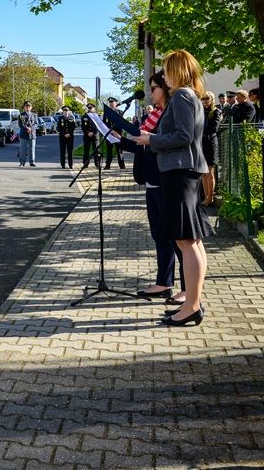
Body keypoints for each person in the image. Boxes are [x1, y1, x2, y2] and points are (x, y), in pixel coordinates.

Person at [133, 50, 213, 327]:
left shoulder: (181, 96)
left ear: (177, 71)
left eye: (167, 70)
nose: (164, 77)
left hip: (179, 172)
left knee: (186, 242)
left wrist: (151, 140)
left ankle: (191, 306)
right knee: (192, 241)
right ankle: (193, 301)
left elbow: (183, 136)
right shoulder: (190, 95)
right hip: (185, 172)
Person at [122, 71, 185, 302]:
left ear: (165, 88)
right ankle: (164, 282)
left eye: (154, 88)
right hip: (152, 179)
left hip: (166, 179)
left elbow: (162, 142)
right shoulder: (155, 113)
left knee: (178, 238)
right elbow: (143, 144)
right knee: (160, 235)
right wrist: (118, 140)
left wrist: (147, 139)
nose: (150, 93)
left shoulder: (169, 113)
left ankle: (187, 288)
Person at [199, 91, 222, 206]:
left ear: (212, 99)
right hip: (201, 142)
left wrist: (201, 131)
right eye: (203, 99)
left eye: (207, 98)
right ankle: (205, 197)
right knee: (203, 172)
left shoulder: (216, 111)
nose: (205, 101)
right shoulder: (201, 111)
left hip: (210, 142)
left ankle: (210, 197)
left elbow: (214, 128)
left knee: (209, 171)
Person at [102, 97, 126, 169]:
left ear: (116, 103)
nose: (111, 104)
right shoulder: (106, 113)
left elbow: (122, 124)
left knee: (119, 150)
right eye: (110, 102)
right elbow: (104, 123)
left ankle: (122, 165)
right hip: (109, 133)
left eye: (112, 102)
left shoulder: (120, 112)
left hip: (118, 134)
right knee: (109, 150)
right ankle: (107, 165)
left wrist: (119, 134)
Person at [17, 100, 39, 167]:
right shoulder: (21, 115)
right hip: (24, 134)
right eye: (26, 106)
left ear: (31, 107)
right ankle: (22, 162)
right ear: (24, 107)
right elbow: (20, 124)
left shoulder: (34, 115)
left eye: (29, 106)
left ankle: (32, 162)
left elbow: (36, 124)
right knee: (23, 149)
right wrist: (27, 128)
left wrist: (31, 129)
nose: (28, 107)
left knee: (32, 149)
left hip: (32, 134)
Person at [80, 104, 100, 168]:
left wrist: (93, 132)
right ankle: (85, 164)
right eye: (89, 108)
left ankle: (97, 163)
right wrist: (88, 132)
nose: (90, 109)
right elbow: (83, 126)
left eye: (91, 108)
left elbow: (98, 126)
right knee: (86, 150)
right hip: (87, 136)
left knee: (96, 150)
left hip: (95, 136)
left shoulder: (97, 116)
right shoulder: (84, 116)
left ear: (94, 108)